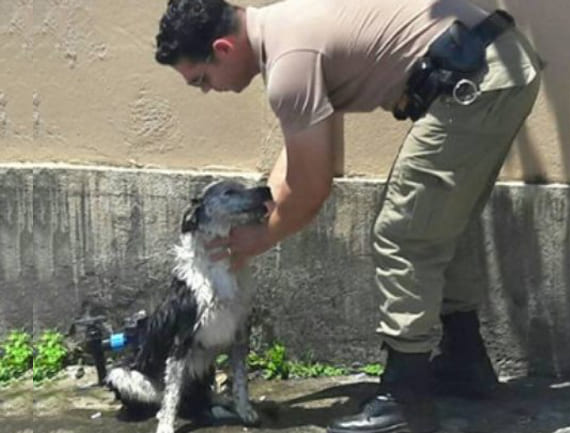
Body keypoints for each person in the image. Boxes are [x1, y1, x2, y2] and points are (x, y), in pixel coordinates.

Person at [155, 0, 542, 432]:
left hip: (475, 80)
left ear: (223, 49)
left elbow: (313, 188)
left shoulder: (289, 66)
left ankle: (405, 398)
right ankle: (465, 363)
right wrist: (259, 214)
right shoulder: (287, 27)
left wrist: (258, 240)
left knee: (403, 232)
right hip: (496, 64)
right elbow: (308, 162)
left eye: (202, 79)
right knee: (437, 220)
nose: (208, 89)